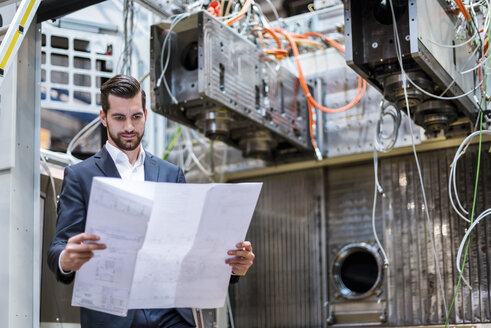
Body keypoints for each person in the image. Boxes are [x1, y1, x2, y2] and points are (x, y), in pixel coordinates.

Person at [47, 74, 255, 328]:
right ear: (103, 118)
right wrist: (66, 259)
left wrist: (232, 269)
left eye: (136, 117)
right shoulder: (80, 176)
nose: (129, 128)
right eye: (119, 118)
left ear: (145, 114)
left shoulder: (171, 173)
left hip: (171, 314)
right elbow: (58, 245)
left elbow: (189, 247)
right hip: (114, 316)